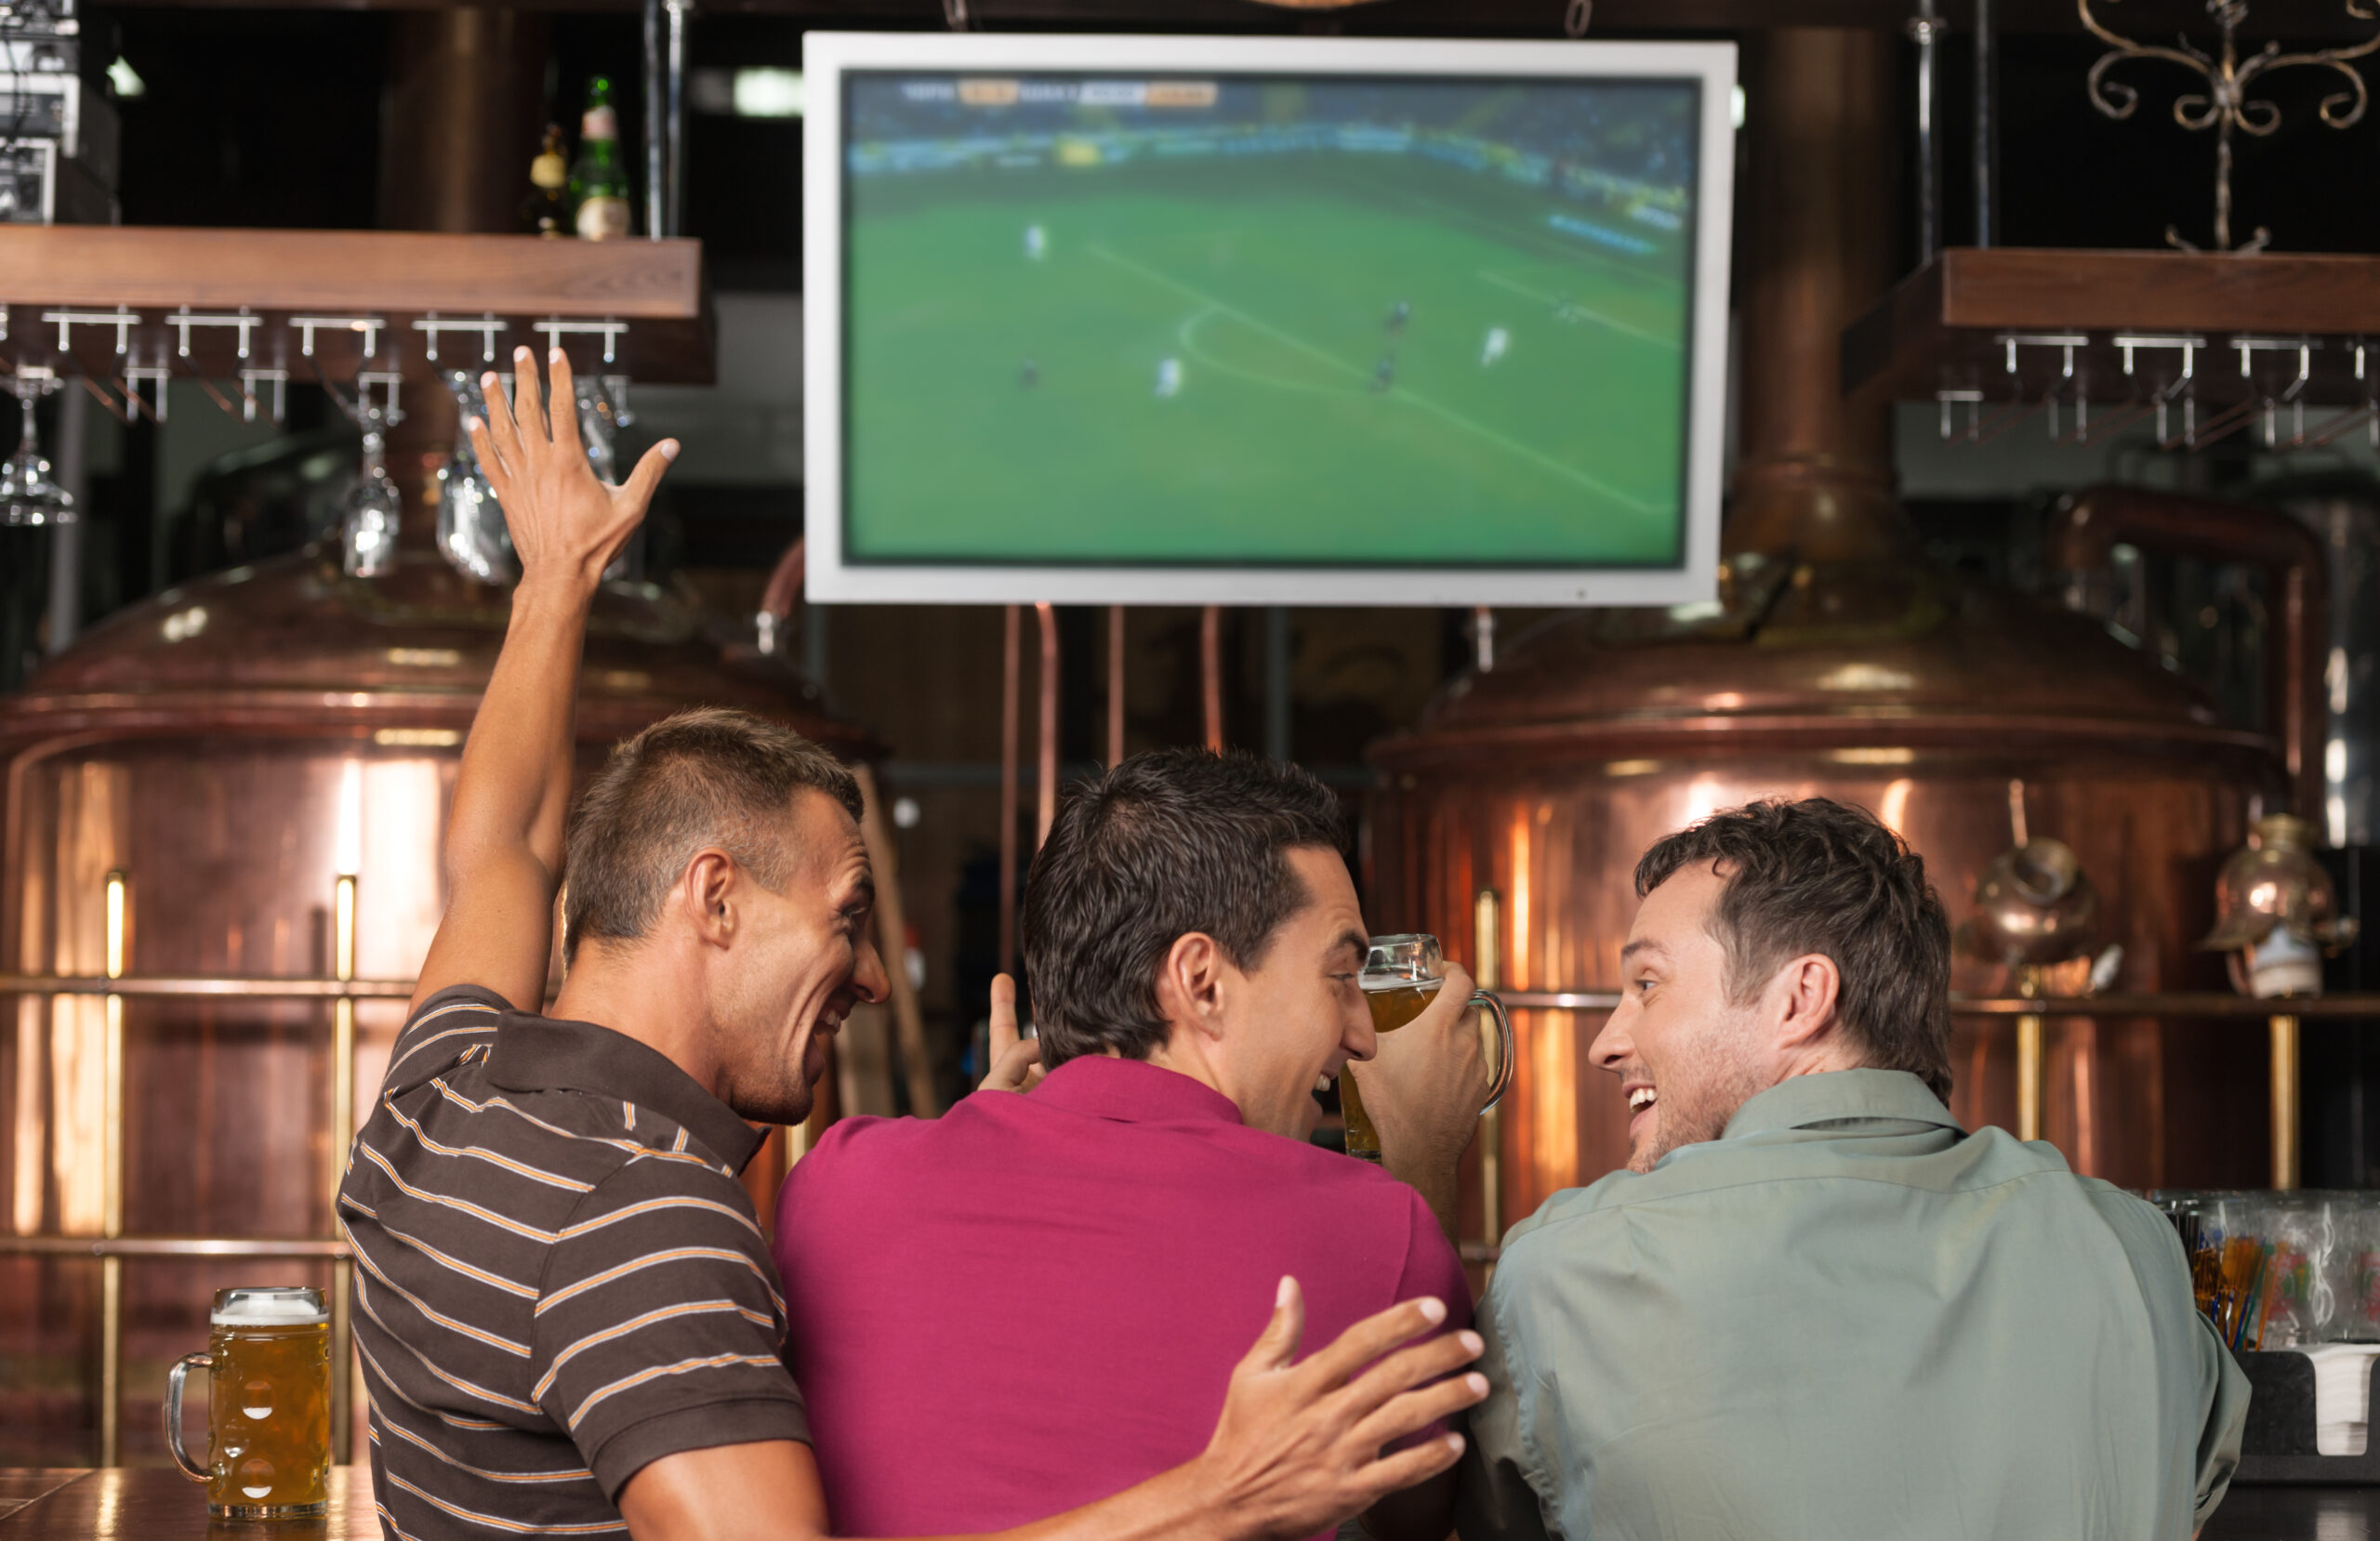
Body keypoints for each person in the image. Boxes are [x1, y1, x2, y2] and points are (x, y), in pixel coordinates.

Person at [337, 346, 1488, 1541]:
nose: (876, 977)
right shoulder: (641, 1219)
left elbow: (502, 847)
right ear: (713, 900)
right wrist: (1220, 1493)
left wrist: (556, 584)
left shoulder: (442, 1082)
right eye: (846, 917)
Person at [1454, 797, 2251, 1541]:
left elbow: (1427, 1515)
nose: (1606, 1042)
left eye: (1647, 985)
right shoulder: (2133, 1251)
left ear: (1801, 998)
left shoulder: (1566, 1273)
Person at [774, 750, 1499, 1541]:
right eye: (1339, 976)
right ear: (1201, 981)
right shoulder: (1376, 1233)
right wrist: (1421, 1161)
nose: (1361, 1035)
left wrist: (971, 1137)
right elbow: (1419, 1520)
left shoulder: (837, 1183)